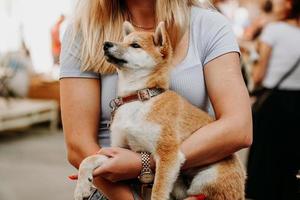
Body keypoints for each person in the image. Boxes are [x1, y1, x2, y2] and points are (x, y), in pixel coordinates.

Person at [60, 0, 252, 199]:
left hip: (190, 184)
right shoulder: (84, 30)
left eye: (134, 46)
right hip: (112, 190)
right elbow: (78, 145)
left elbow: (238, 128)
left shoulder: (209, 26)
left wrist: (144, 163)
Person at [246, 0, 300, 199]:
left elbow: (259, 75)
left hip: (273, 103)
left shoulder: (274, 30)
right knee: (290, 159)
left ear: (289, 6)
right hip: (297, 103)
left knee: (266, 159)